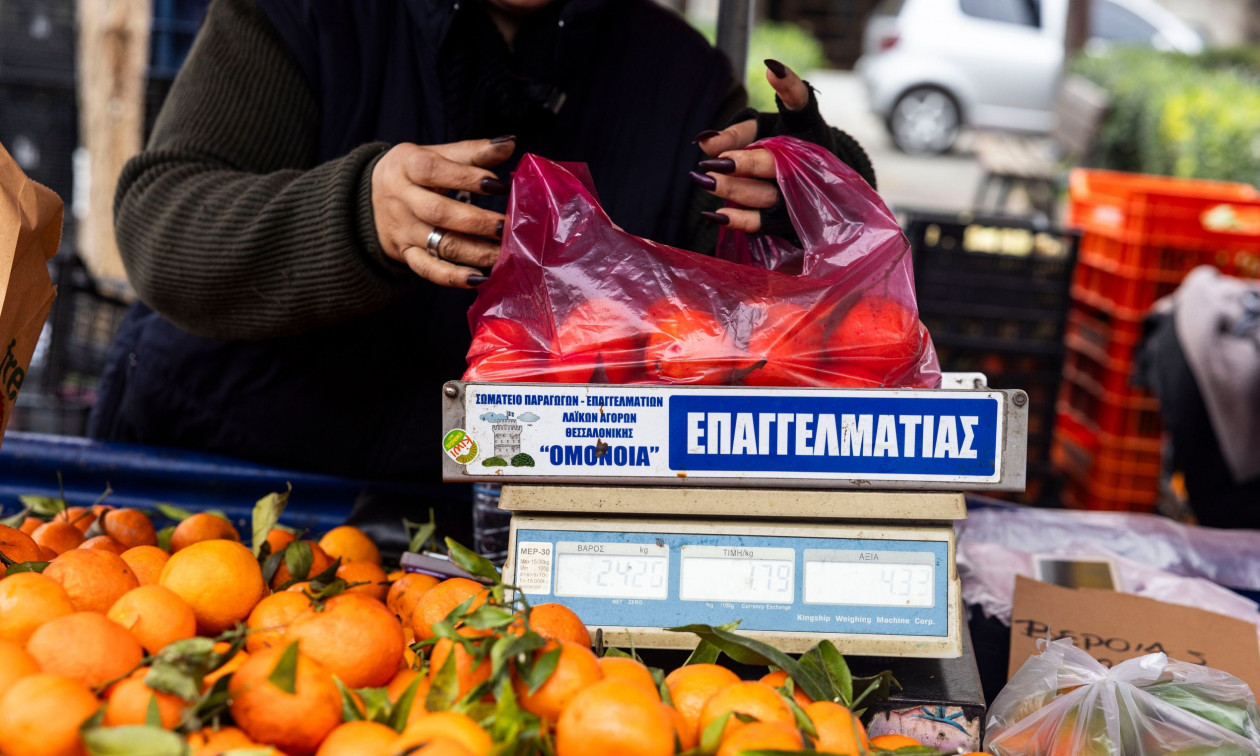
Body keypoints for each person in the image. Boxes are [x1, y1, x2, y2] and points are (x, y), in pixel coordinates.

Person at [89, 0, 875, 549]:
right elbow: (162, 225)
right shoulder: (307, 11)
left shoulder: (678, 79)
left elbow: (759, 329)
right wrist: (356, 215)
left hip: (512, 542)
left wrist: (810, 199)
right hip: (227, 499)